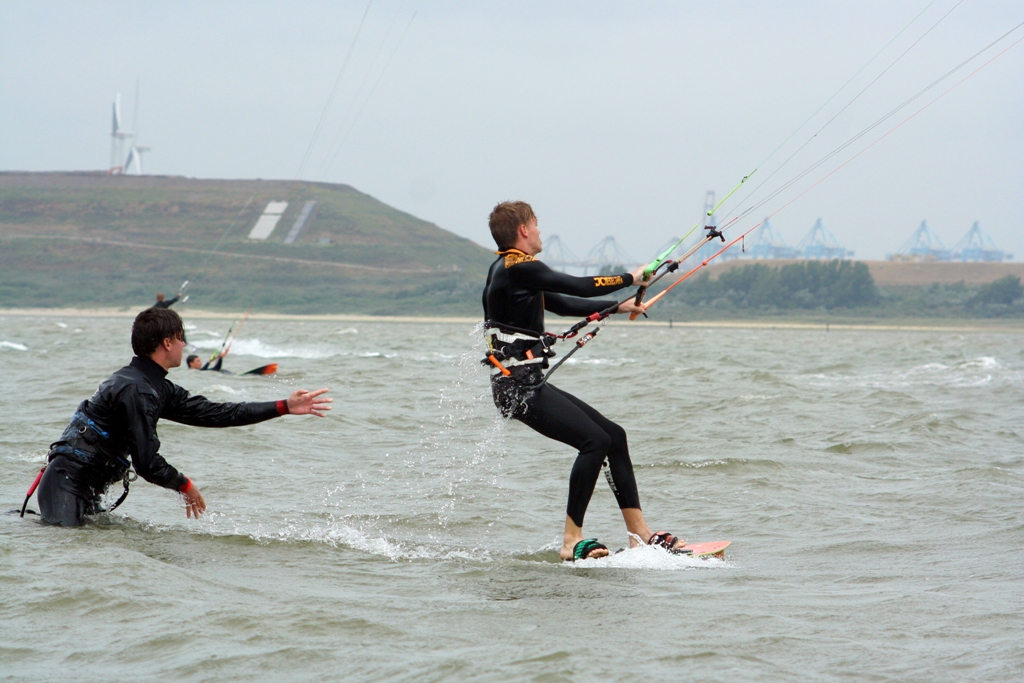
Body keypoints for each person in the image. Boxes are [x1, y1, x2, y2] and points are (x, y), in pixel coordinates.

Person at [482, 201, 688, 561]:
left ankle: (641, 534)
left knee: (614, 436)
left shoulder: (511, 270)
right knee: (594, 440)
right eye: (537, 225)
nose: (541, 231)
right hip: (516, 387)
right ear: (524, 231)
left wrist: (619, 306)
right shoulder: (518, 267)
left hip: (526, 382)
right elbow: (578, 284)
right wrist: (631, 278)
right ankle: (569, 542)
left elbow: (560, 304)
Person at [37, 307, 331, 527]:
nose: (184, 346)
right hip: (67, 484)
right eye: (181, 339)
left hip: (79, 485)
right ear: (167, 342)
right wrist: (184, 485)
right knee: (69, 551)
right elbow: (147, 463)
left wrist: (283, 406)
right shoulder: (137, 389)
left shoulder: (154, 386)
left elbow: (215, 413)